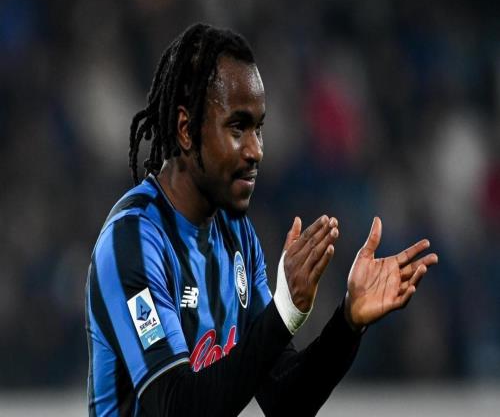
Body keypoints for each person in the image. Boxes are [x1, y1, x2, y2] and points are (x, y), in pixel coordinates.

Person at [85, 23, 438, 417]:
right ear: (186, 130)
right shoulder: (133, 240)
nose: (255, 150)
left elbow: (284, 400)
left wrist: (347, 321)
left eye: (259, 128)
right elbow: (175, 408)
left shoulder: (237, 235)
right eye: (238, 127)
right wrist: (284, 312)